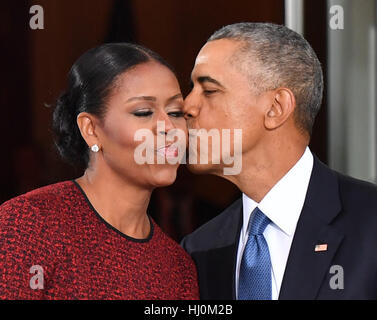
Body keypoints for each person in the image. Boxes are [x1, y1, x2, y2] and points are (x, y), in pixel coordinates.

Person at [181, 22, 377, 300]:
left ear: (276, 108)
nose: (187, 106)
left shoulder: (370, 221)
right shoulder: (199, 249)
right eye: (192, 89)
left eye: (209, 90)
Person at [0, 43, 199, 299]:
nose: (168, 127)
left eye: (175, 112)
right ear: (91, 129)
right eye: (143, 112)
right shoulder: (26, 225)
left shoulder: (179, 266)